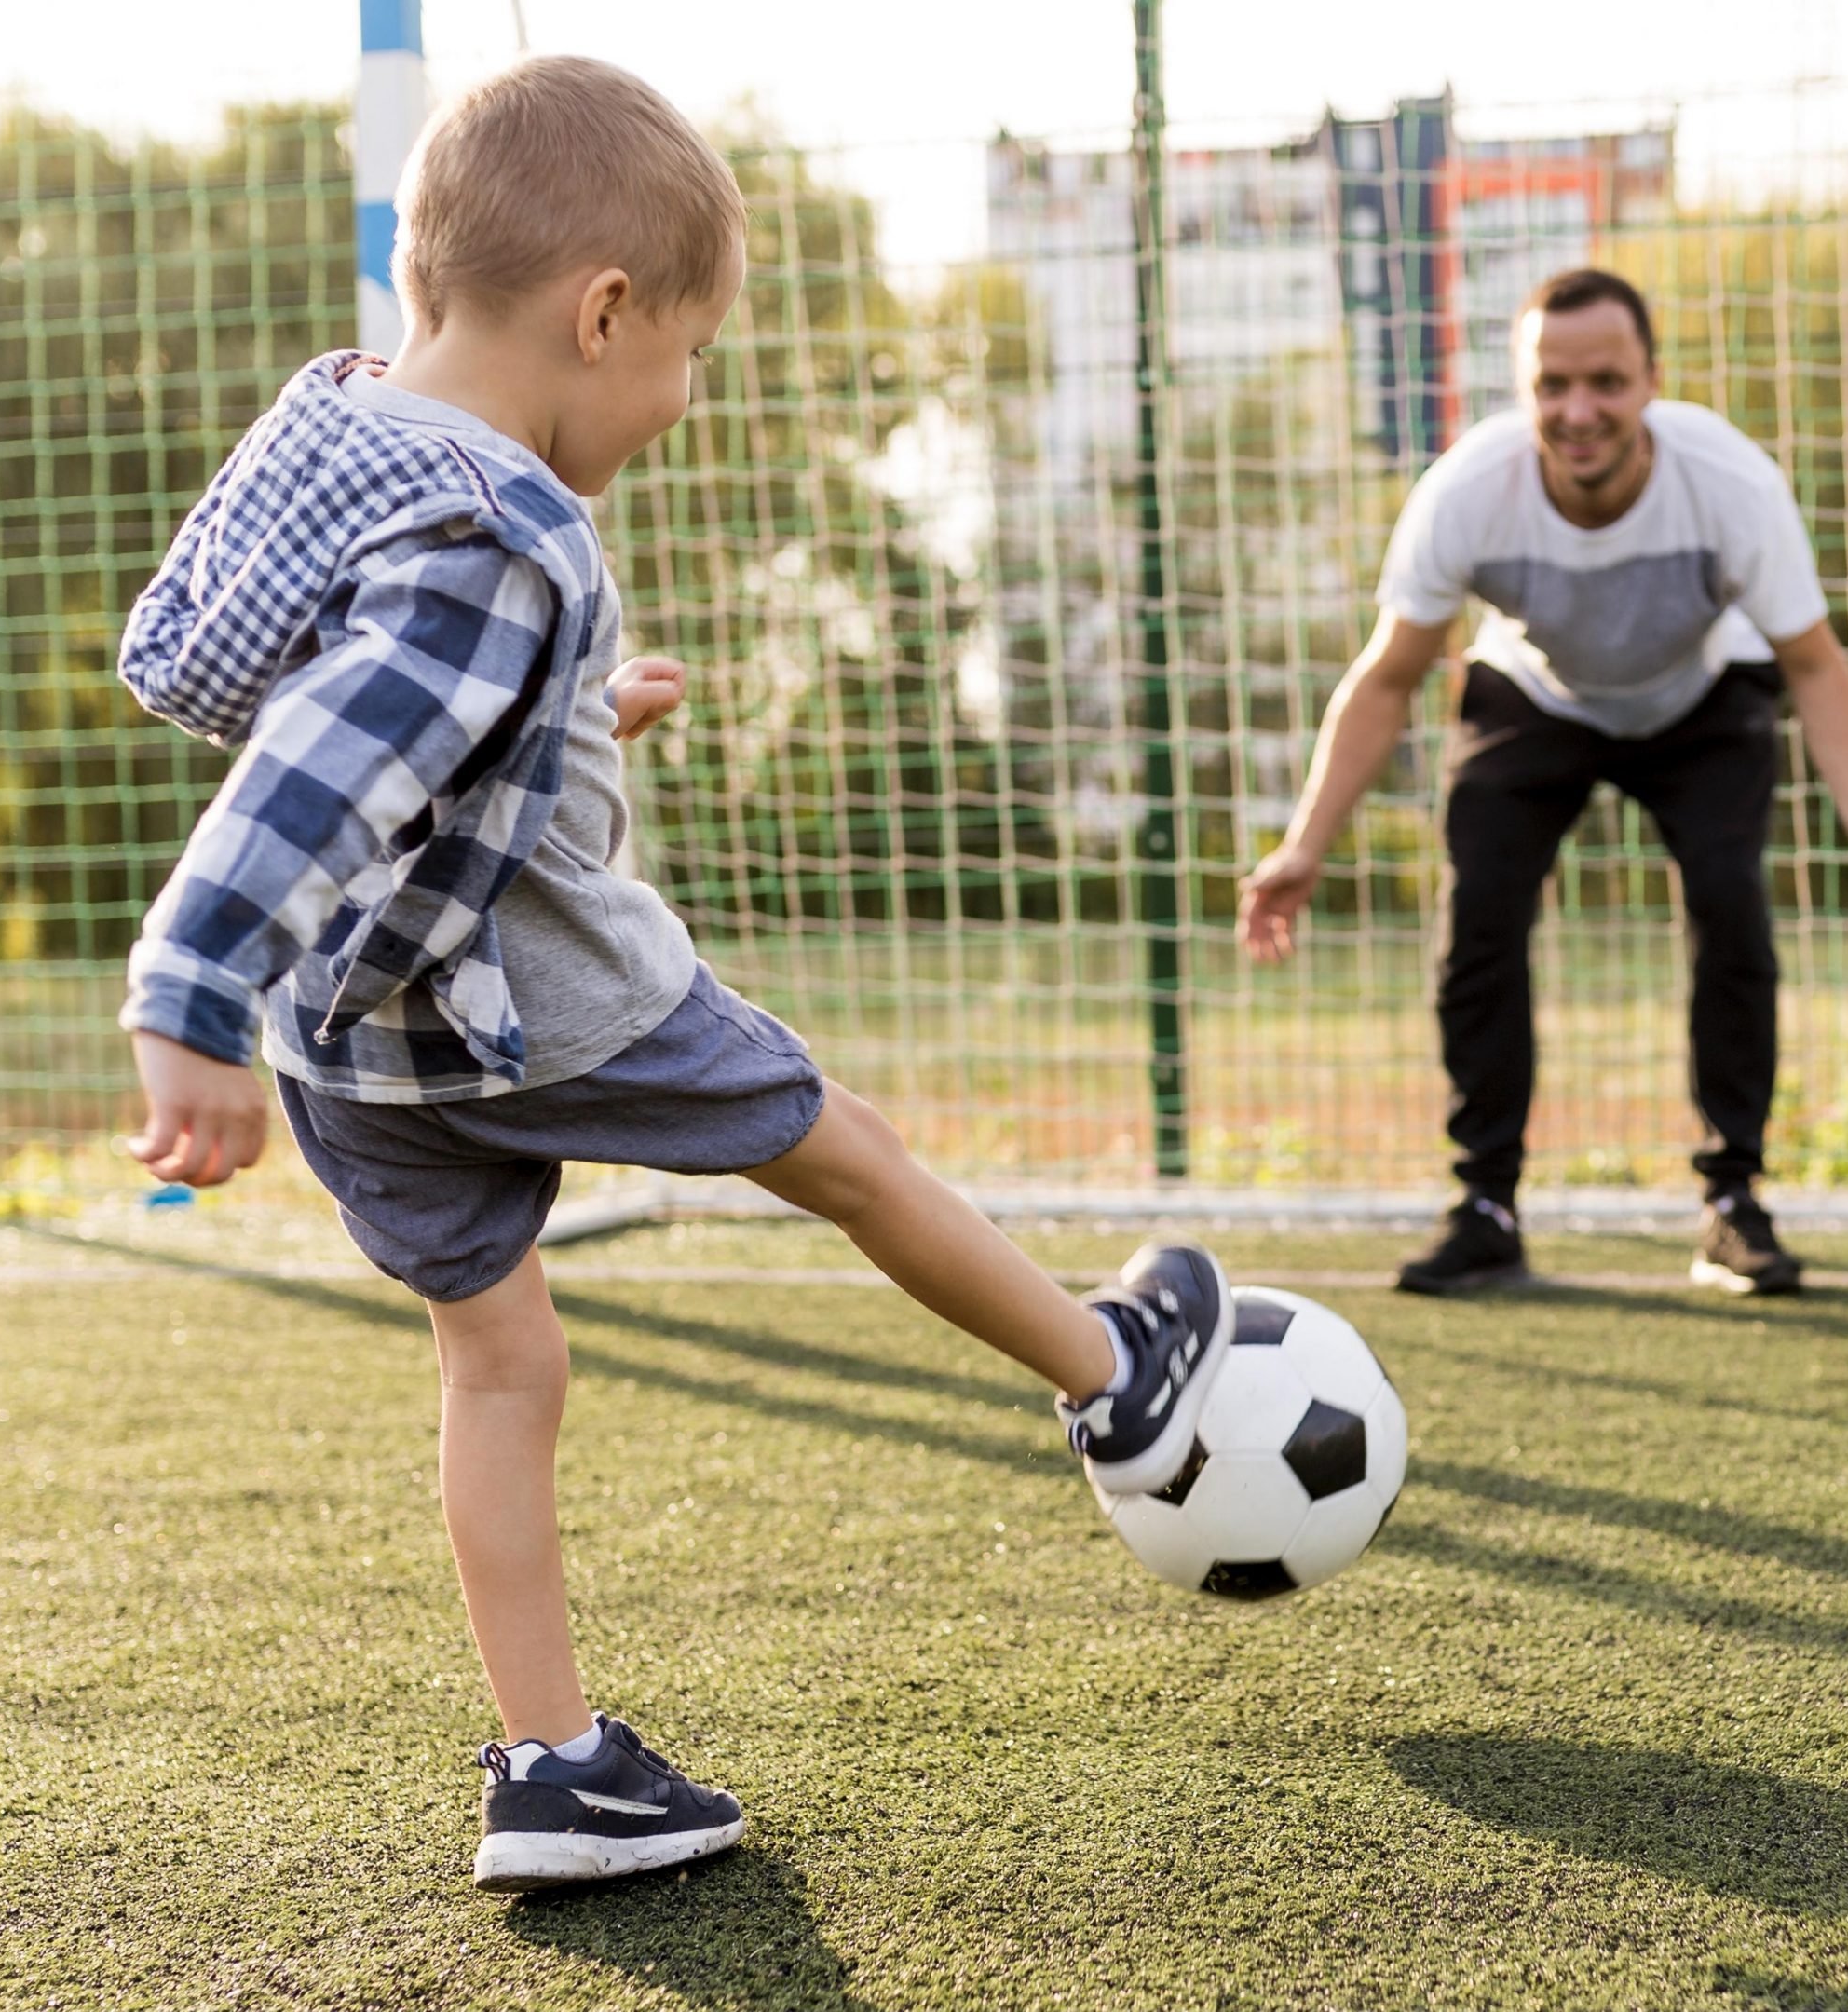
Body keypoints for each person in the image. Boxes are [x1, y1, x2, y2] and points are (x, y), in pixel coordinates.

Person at [112, 56, 1233, 1895]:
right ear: (603, 310)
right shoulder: (496, 538)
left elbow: (234, 661)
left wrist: (549, 714)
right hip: (531, 994)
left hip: (362, 1052)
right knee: (843, 1148)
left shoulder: (332, 434)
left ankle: (551, 1769)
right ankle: (1118, 1377)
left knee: (500, 1366)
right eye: (687, 354)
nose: (684, 400)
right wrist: (182, 996)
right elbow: (316, 764)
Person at [1238, 268, 1848, 1298]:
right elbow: (1387, 677)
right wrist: (1303, 844)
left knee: (1731, 905)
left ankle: (1732, 1201)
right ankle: (1486, 1206)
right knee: (1477, 918)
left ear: (1651, 381)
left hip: (1701, 695)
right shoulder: (1468, 493)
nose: (1579, 411)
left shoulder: (1730, 483)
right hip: (1535, 694)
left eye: (1606, 382)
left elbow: (1815, 664)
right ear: (1523, 387)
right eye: (1551, 384)